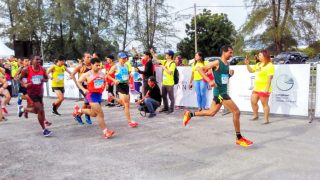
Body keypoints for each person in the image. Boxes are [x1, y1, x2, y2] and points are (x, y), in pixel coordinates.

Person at [183, 45, 253, 147]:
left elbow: (223, 79)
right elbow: (199, 69)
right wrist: (209, 80)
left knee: (211, 113)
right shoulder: (217, 62)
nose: (231, 54)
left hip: (220, 93)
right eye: (230, 52)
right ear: (224, 52)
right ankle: (239, 138)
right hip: (221, 93)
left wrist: (229, 75)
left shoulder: (227, 63)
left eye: (232, 53)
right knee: (236, 112)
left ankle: (190, 114)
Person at [72, 58, 114, 138]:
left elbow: (104, 81)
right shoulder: (87, 74)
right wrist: (84, 89)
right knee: (100, 114)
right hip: (91, 95)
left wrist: (107, 86)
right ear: (91, 65)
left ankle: (79, 110)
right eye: (96, 65)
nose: (98, 67)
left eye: (99, 65)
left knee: (94, 114)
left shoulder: (101, 73)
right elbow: (78, 81)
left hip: (99, 95)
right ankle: (106, 132)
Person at [18, 55, 52, 137]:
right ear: (32, 61)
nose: (39, 61)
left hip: (40, 92)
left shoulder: (42, 69)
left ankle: (23, 109)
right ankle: (44, 130)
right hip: (31, 92)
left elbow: (47, 79)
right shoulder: (26, 69)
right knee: (40, 110)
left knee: (38, 110)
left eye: (39, 60)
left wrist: (43, 80)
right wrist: (25, 85)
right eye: (37, 59)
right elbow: (19, 78)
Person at [107, 52, 138, 128]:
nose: (124, 59)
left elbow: (126, 76)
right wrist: (114, 80)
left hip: (126, 85)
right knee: (126, 105)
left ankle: (113, 97)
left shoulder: (126, 66)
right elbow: (107, 75)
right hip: (120, 85)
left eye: (125, 58)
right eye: (122, 58)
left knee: (126, 104)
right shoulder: (115, 67)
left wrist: (130, 76)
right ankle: (130, 121)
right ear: (118, 58)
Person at [244, 50, 275, 124]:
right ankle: (256, 115)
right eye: (258, 55)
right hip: (256, 88)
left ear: (265, 56)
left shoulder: (269, 65)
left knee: (264, 104)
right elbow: (251, 71)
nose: (258, 56)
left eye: (260, 55)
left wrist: (266, 89)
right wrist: (247, 64)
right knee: (253, 101)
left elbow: (270, 78)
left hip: (264, 89)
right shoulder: (258, 64)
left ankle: (266, 119)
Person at [150, 49, 176, 114]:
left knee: (171, 97)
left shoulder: (173, 63)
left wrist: (164, 67)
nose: (165, 55)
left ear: (170, 56)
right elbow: (156, 60)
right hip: (164, 83)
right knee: (164, 96)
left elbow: (170, 72)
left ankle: (171, 109)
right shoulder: (165, 61)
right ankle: (166, 107)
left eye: (167, 54)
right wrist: (153, 53)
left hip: (170, 83)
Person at [71, 52, 92, 124]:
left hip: (91, 87)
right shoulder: (80, 66)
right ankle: (84, 115)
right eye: (88, 57)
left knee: (87, 103)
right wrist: (76, 83)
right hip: (83, 87)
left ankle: (79, 114)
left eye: (90, 57)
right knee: (88, 102)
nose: (89, 58)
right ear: (83, 58)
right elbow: (72, 74)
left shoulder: (92, 66)